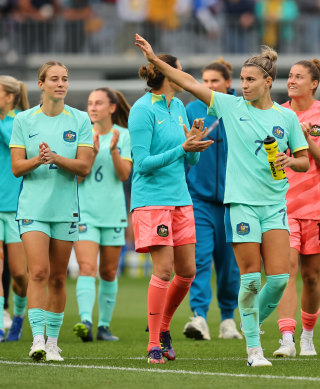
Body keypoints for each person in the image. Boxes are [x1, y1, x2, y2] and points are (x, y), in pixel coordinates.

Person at [135, 34, 310, 367]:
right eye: (241, 80)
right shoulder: (230, 106)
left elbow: (303, 159)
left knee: (279, 279)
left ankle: (250, 322)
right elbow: (185, 81)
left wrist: (290, 161)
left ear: (268, 82)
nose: (243, 86)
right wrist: (155, 60)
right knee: (250, 278)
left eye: (250, 80)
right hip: (241, 203)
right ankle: (254, 351)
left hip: (274, 204)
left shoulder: (286, 118)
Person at [128, 54, 213, 364]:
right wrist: (182, 148)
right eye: (179, 69)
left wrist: (193, 143)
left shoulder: (178, 107)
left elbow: (189, 161)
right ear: (167, 74)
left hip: (181, 200)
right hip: (152, 201)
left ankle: (163, 329)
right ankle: (153, 344)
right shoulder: (142, 110)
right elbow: (142, 164)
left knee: (187, 272)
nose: (184, 74)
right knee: (163, 271)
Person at [9, 61, 94, 361]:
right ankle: (38, 341)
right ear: (41, 84)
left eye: (65, 79)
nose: (61, 84)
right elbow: (17, 167)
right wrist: (38, 160)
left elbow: (84, 166)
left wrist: (55, 157)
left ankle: (54, 343)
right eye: (54, 79)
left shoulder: (81, 119)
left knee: (58, 277)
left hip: (65, 210)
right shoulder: (24, 120)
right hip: (32, 208)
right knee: (39, 272)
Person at [272, 58, 320, 358]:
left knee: (311, 277)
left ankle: (308, 336)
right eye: (289, 76)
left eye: (299, 76)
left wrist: (305, 141)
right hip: (283, 206)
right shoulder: (277, 113)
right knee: (285, 272)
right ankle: (287, 338)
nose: (291, 80)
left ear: (313, 83)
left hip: (318, 207)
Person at [182, 59, 243, 342]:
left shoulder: (240, 108)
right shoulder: (191, 109)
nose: (208, 86)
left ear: (228, 83)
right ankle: (199, 317)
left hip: (234, 200)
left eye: (214, 81)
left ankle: (228, 319)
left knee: (230, 265)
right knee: (200, 259)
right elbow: (181, 152)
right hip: (200, 199)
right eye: (204, 81)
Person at [72, 88, 132, 343]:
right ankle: (86, 320)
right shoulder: (81, 135)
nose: (93, 107)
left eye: (98, 103)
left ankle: (104, 326)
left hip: (113, 213)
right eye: (89, 103)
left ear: (112, 107)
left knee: (108, 272)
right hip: (85, 212)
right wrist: (93, 152)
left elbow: (123, 175)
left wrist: (114, 150)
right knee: (87, 268)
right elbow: (78, 176)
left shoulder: (125, 135)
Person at [0, 75, 29, 342]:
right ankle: (0, 320)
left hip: (14, 207)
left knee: (20, 273)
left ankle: (18, 316)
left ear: (10, 97)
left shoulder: (19, 121)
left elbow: (13, 143)